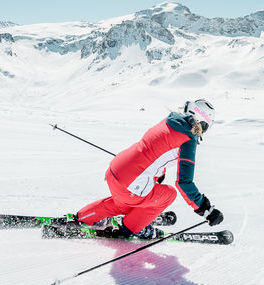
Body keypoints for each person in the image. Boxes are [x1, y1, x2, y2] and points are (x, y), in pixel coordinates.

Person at [73, 99, 224, 239]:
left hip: (115, 171)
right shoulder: (188, 139)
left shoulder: (169, 121)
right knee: (169, 194)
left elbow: (155, 150)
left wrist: (159, 174)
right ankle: (132, 227)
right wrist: (206, 209)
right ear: (204, 124)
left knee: (124, 202)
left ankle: (83, 217)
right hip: (132, 184)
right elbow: (184, 182)